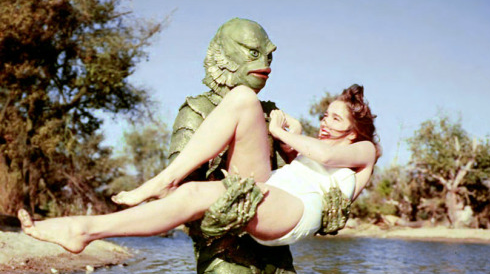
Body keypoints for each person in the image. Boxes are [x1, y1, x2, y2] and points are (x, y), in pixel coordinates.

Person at [18, 84, 380, 253]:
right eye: (325, 115)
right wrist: (289, 137)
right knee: (242, 98)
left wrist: (279, 132)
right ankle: (165, 179)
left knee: (194, 194)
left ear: (354, 129)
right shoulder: (315, 146)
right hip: (272, 191)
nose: (325, 122)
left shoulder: (365, 151)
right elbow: (304, 156)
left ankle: (85, 231)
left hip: (294, 212)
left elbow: (329, 159)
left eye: (335, 118)